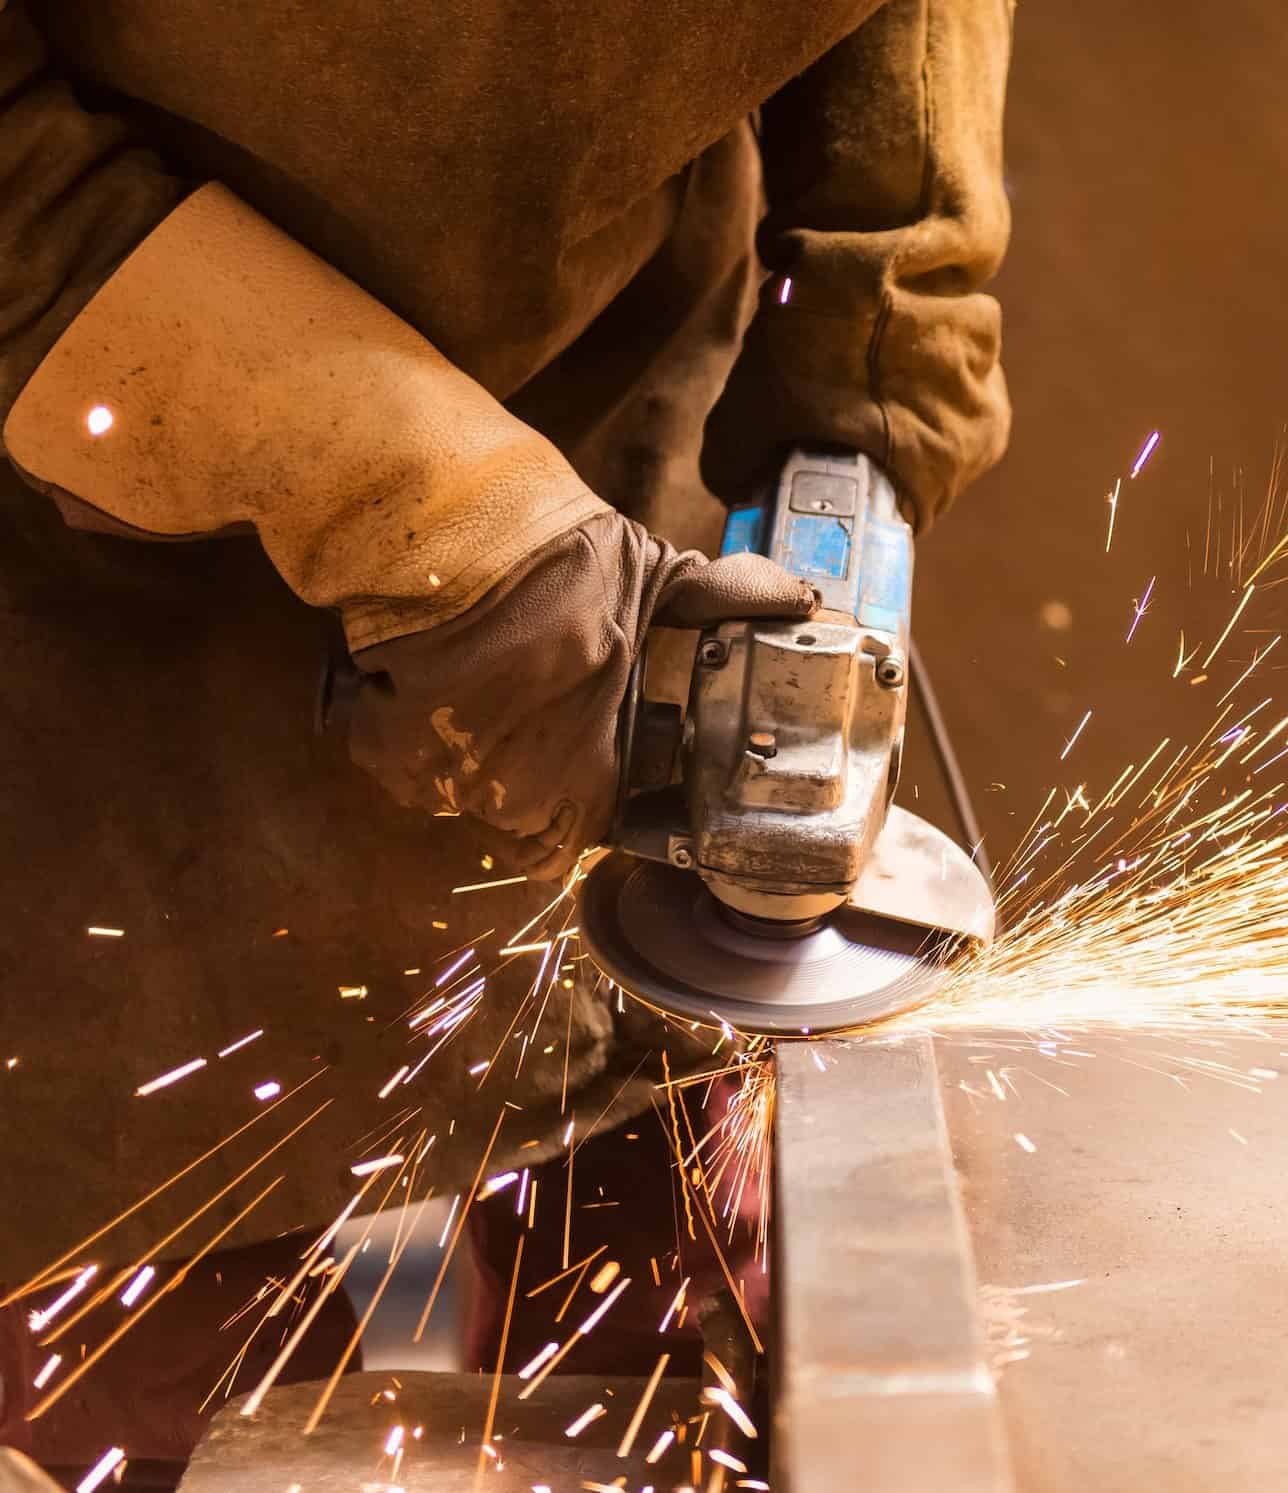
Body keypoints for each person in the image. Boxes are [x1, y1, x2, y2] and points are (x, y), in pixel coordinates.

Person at [0, 0, 1012, 1457]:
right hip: (73, 452)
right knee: (177, 1335)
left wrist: (873, 360)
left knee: (664, 1287)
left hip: (596, 374)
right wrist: (420, 508)